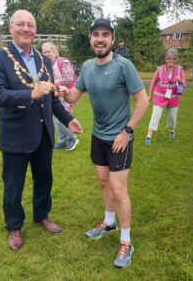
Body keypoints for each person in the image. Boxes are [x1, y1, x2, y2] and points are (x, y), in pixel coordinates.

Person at [56, 18, 149, 268]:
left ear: (111, 39)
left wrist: (126, 132)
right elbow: (74, 95)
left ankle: (126, 241)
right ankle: (108, 223)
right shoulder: (86, 66)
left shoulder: (124, 66)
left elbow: (143, 101)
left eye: (105, 35)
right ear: (90, 39)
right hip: (98, 136)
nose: (100, 39)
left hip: (120, 139)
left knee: (119, 190)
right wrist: (62, 91)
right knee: (103, 182)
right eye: (96, 34)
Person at [0, 10, 82, 252]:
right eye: (21, 24)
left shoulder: (43, 59)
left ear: (36, 30)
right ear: (11, 27)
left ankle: (42, 215)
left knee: (44, 179)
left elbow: (50, 97)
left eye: (31, 25)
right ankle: (14, 226)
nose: (26, 29)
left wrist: (68, 119)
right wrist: (30, 93)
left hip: (43, 134)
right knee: (13, 185)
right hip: (15, 135)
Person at [42, 42, 79, 151]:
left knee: (60, 118)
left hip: (66, 94)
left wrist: (53, 83)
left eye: (49, 51)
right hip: (53, 94)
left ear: (54, 51)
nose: (46, 54)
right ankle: (62, 141)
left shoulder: (64, 62)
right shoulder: (45, 64)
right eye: (44, 52)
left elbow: (69, 79)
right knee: (54, 118)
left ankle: (73, 138)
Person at [145, 48, 185, 146]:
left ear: (176, 60)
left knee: (172, 117)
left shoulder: (179, 69)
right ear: (166, 59)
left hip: (173, 98)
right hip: (160, 98)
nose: (170, 60)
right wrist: (150, 96)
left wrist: (180, 81)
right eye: (169, 58)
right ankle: (149, 136)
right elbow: (153, 83)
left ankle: (171, 130)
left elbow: (183, 84)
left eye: (173, 59)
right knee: (155, 116)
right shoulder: (159, 70)